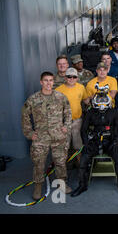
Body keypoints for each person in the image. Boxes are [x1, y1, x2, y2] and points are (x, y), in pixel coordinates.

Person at [22, 71, 73, 200]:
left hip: (58, 135)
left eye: (51, 80)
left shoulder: (61, 97)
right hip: (41, 137)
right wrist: (29, 133)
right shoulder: (33, 99)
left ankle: (62, 183)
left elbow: (68, 113)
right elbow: (25, 116)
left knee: (60, 162)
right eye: (46, 80)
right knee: (39, 162)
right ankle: (38, 186)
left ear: (53, 82)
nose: (49, 83)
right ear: (41, 82)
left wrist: (66, 127)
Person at [71, 84, 118, 197]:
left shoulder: (114, 112)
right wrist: (86, 143)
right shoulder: (90, 112)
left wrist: (116, 141)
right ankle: (82, 185)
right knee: (83, 160)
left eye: (104, 99)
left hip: (111, 141)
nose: (101, 101)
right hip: (95, 140)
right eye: (99, 99)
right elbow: (84, 130)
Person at [55, 68, 90, 156]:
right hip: (63, 122)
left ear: (77, 78)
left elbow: (86, 100)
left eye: (74, 77)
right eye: (69, 77)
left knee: (78, 145)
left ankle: (80, 165)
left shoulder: (81, 87)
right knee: (64, 145)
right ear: (65, 78)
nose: (71, 79)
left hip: (77, 121)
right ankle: (64, 166)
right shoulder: (58, 90)